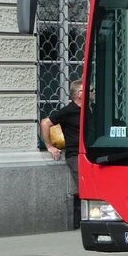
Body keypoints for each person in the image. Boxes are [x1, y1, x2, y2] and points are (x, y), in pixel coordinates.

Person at [40, 79, 84, 228]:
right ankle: (88, 220)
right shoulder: (68, 111)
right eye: (90, 91)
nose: (93, 93)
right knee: (85, 187)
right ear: (79, 94)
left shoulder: (91, 109)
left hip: (91, 154)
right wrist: (49, 146)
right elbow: (45, 123)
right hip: (76, 155)